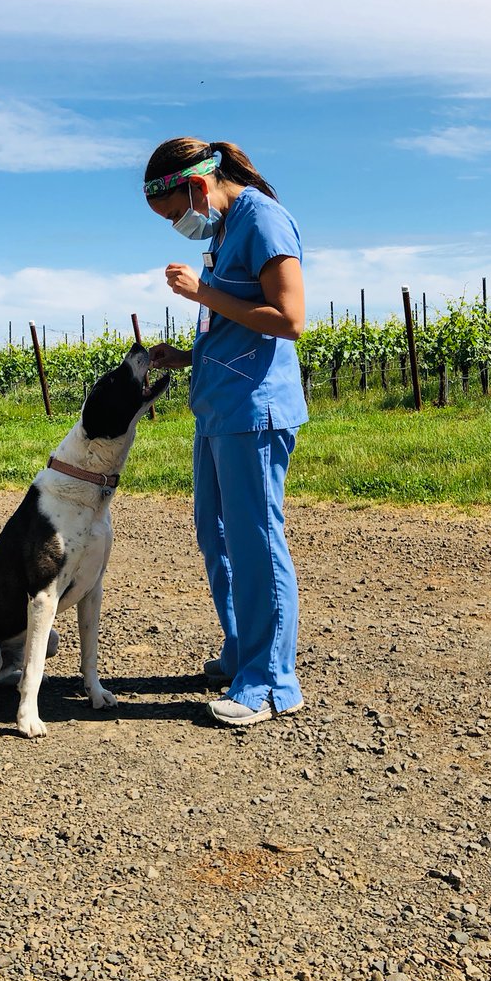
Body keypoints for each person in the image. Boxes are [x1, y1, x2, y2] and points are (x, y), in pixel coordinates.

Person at [144, 137, 308, 726]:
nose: (176, 226)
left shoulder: (264, 220)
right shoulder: (221, 232)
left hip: (254, 410)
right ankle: (243, 653)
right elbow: (232, 324)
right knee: (219, 538)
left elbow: (289, 320)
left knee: (256, 542)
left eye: (172, 212)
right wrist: (185, 357)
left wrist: (200, 291)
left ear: (194, 185)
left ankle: (270, 684)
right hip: (217, 408)